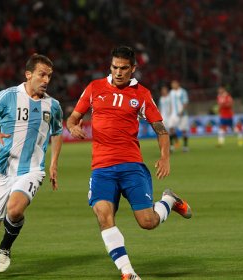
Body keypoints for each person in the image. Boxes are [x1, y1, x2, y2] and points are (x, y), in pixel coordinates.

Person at [66, 46, 192, 280]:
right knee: (103, 214)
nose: (119, 72)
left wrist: (165, 157)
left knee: (147, 222)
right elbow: (73, 118)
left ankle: (169, 200)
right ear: (110, 66)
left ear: (133, 69)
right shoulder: (94, 88)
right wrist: (73, 127)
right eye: (115, 67)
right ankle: (128, 272)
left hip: (131, 166)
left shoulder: (141, 94)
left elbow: (161, 129)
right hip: (102, 168)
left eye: (124, 68)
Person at [0, 54, 64, 279]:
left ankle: (5, 248)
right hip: (1, 170)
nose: (46, 80)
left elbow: (58, 132)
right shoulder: (7, 96)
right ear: (28, 74)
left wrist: (53, 164)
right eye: (42, 74)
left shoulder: (53, 105)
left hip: (32, 169)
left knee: (15, 209)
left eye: (49, 76)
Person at [168, 79, 190, 152]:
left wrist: (182, 111)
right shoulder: (171, 92)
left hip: (182, 114)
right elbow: (171, 103)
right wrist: (170, 112)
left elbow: (185, 103)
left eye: (174, 84)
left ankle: (185, 146)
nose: (172, 85)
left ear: (177, 84)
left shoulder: (182, 92)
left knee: (184, 130)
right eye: (172, 84)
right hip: (173, 115)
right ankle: (172, 146)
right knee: (170, 128)